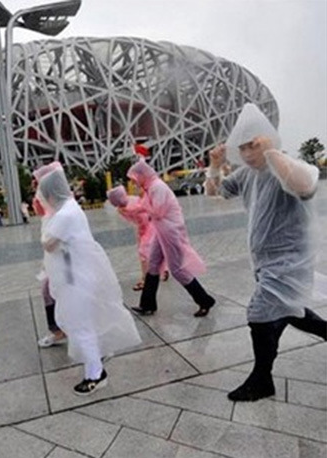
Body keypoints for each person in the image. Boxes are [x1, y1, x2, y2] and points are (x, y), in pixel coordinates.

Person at [204, 102, 327, 402]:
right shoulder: (247, 175)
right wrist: (215, 165)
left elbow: (306, 185)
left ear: (268, 141)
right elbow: (214, 191)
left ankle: (262, 380)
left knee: (259, 313)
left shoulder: (287, 164)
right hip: (264, 261)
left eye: (253, 146)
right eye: (242, 147)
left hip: (290, 260)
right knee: (288, 309)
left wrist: (272, 152)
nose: (247, 153)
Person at [37, 165, 141, 395]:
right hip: (78, 273)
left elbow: (48, 243)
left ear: (52, 195)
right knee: (83, 322)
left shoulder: (64, 214)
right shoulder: (70, 206)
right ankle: (96, 359)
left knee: (79, 325)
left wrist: (46, 228)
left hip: (75, 278)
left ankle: (95, 373)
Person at [127, 156, 215, 317]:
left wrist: (145, 206)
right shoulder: (149, 188)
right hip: (161, 232)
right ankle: (147, 304)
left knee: (177, 269)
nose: (134, 182)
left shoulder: (157, 187)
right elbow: (142, 207)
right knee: (153, 265)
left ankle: (204, 300)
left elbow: (158, 212)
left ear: (142, 175)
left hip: (171, 231)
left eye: (135, 178)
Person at [32, 162, 67, 348]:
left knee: (54, 292)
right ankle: (58, 330)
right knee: (48, 291)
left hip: (64, 262)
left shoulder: (62, 210)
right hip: (54, 261)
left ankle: (61, 330)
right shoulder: (52, 210)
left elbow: (52, 242)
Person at [107, 185, 168, 290]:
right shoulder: (127, 205)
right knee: (148, 252)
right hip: (143, 228)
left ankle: (148, 278)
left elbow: (144, 208)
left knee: (144, 252)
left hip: (149, 226)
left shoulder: (126, 207)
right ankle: (157, 272)